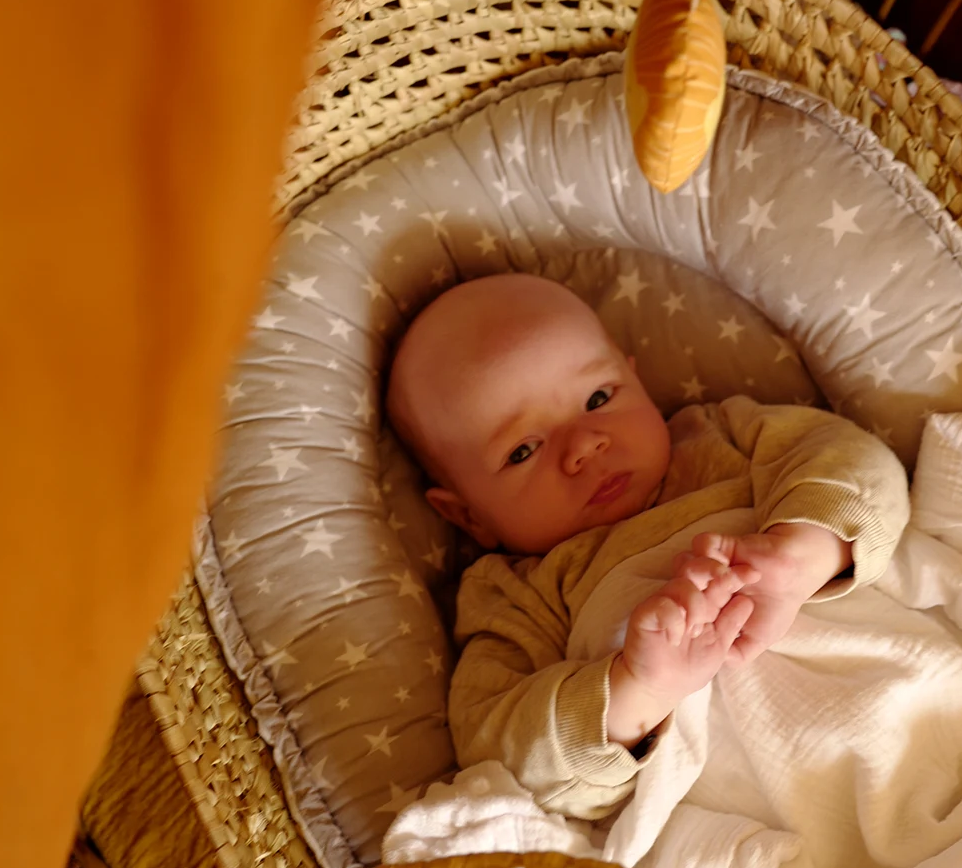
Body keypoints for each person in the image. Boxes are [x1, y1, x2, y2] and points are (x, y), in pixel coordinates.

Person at [387, 273, 910, 818]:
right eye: (523, 450)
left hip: (897, 689)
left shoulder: (724, 436)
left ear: (634, 379)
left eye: (597, 398)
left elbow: (857, 460)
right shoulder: (516, 594)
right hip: (745, 806)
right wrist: (640, 690)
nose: (585, 444)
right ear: (467, 516)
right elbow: (498, 753)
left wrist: (805, 555)